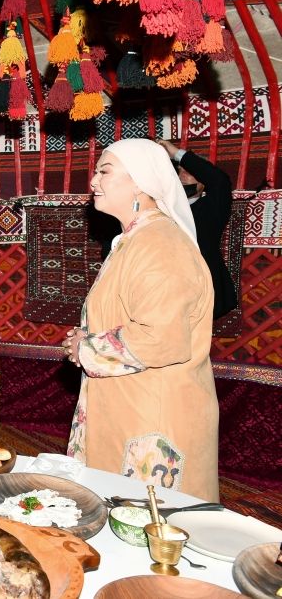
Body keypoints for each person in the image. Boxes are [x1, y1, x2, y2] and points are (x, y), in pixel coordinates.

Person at [61, 138, 219, 502]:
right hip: (132, 403)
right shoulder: (136, 240)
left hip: (154, 417)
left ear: (140, 182)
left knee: (150, 526)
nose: (94, 181)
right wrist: (87, 335)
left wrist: (85, 348)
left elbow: (160, 337)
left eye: (105, 171)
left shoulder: (161, 244)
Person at [158, 138, 238, 319]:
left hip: (201, 287)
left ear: (204, 181)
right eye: (179, 172)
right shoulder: (161, 208)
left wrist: (176, 153)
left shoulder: (211, 208)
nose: (182, 176)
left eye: (189, 172)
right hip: (165, 289)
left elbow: (220, 180)